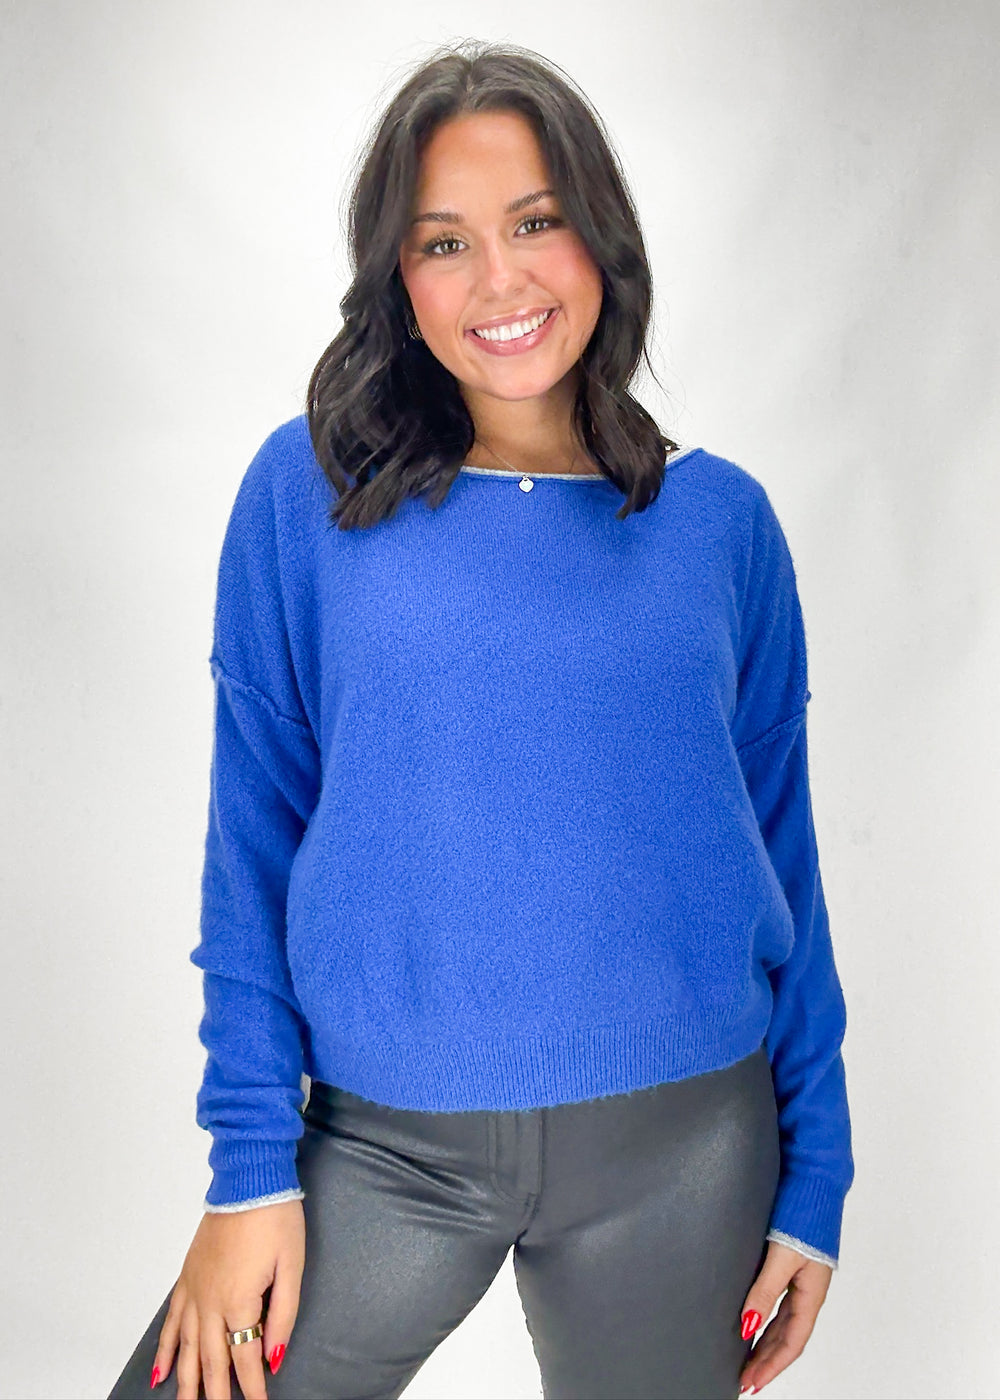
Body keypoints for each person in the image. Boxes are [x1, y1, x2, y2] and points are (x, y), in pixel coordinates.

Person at [107, 38, 854, 1400]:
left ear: (600, 239)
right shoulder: (311, 497)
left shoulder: (721, 526)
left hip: (688, 1146)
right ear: (400, 278)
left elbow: (780, 851)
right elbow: (251, 845)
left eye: (535, 222)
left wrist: (820, 1178)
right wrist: (247, 1172)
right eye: (443, 242)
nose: (498, 280)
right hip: (388, 1153)